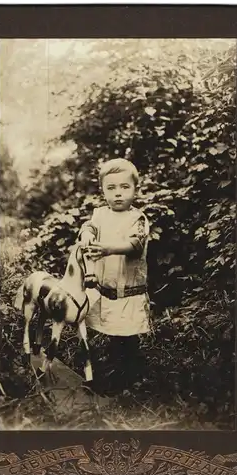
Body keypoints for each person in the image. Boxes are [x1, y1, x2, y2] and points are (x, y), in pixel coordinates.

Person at [78, 158, 151, 395]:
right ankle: (116, 377)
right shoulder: (100, 214)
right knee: (113, 337)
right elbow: (89, 226)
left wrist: (108, 249)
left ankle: (131, 381)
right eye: (111, 188)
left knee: (127, 338)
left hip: (128, 292)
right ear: (103, 191)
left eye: (124, 187)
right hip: (106, 291)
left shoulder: (137, 219)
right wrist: (88, 234)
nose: (118, 194)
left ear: (135, 190)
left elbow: (135, 245)